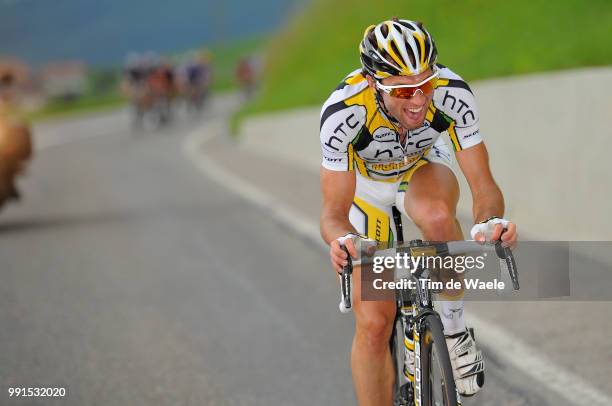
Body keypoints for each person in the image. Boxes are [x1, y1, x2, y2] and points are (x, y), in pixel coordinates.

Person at [319, 18, 518, 404]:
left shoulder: (452, 91)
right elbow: (333, 212)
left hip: (423, 166)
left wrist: (490, 221)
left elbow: (484, 184)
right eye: (404, 90)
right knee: (375, 325)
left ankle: (455, 329)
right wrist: (342, 242)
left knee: (439, 217)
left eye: (425, 83)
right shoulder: (343, 112)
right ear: (375, 83)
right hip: (366, 187)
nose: (418, 99)